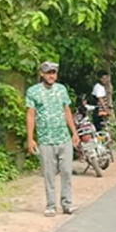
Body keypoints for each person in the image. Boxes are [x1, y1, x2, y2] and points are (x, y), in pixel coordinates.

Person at [25, 61, 79, 217]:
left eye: (53, 72)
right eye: (48, 72)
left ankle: (67, 204)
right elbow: (30, 114)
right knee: (49, 174)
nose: (51, 75)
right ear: (42, 74)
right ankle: (51, 205)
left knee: (67, 172)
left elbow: (67, 110)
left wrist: (74, 133)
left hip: (64, 138)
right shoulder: (33, 92)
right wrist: (31, 138)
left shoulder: (61, 90)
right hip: (46, 140)